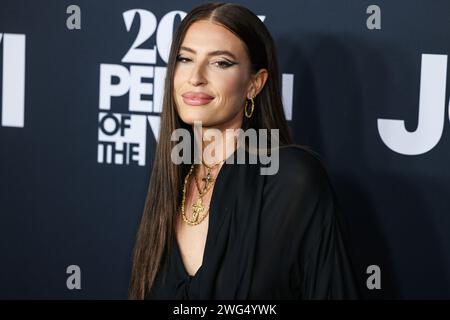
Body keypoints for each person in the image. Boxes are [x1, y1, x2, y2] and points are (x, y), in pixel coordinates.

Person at [129, 2, 359, 299]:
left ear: (254, 83)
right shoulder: (172, 180)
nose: (195, 76)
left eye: (220, 63)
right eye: (185, 59)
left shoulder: (291, 180)